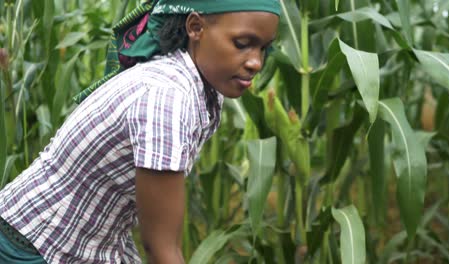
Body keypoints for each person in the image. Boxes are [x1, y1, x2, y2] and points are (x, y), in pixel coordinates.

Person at [0, 0, 280, 263]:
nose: (256, 62)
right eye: (242, 44)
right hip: (31, 245)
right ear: (195, 28)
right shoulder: (167, 98)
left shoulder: (201, 87)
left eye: (264, 49)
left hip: (78, 243)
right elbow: (161, 247)